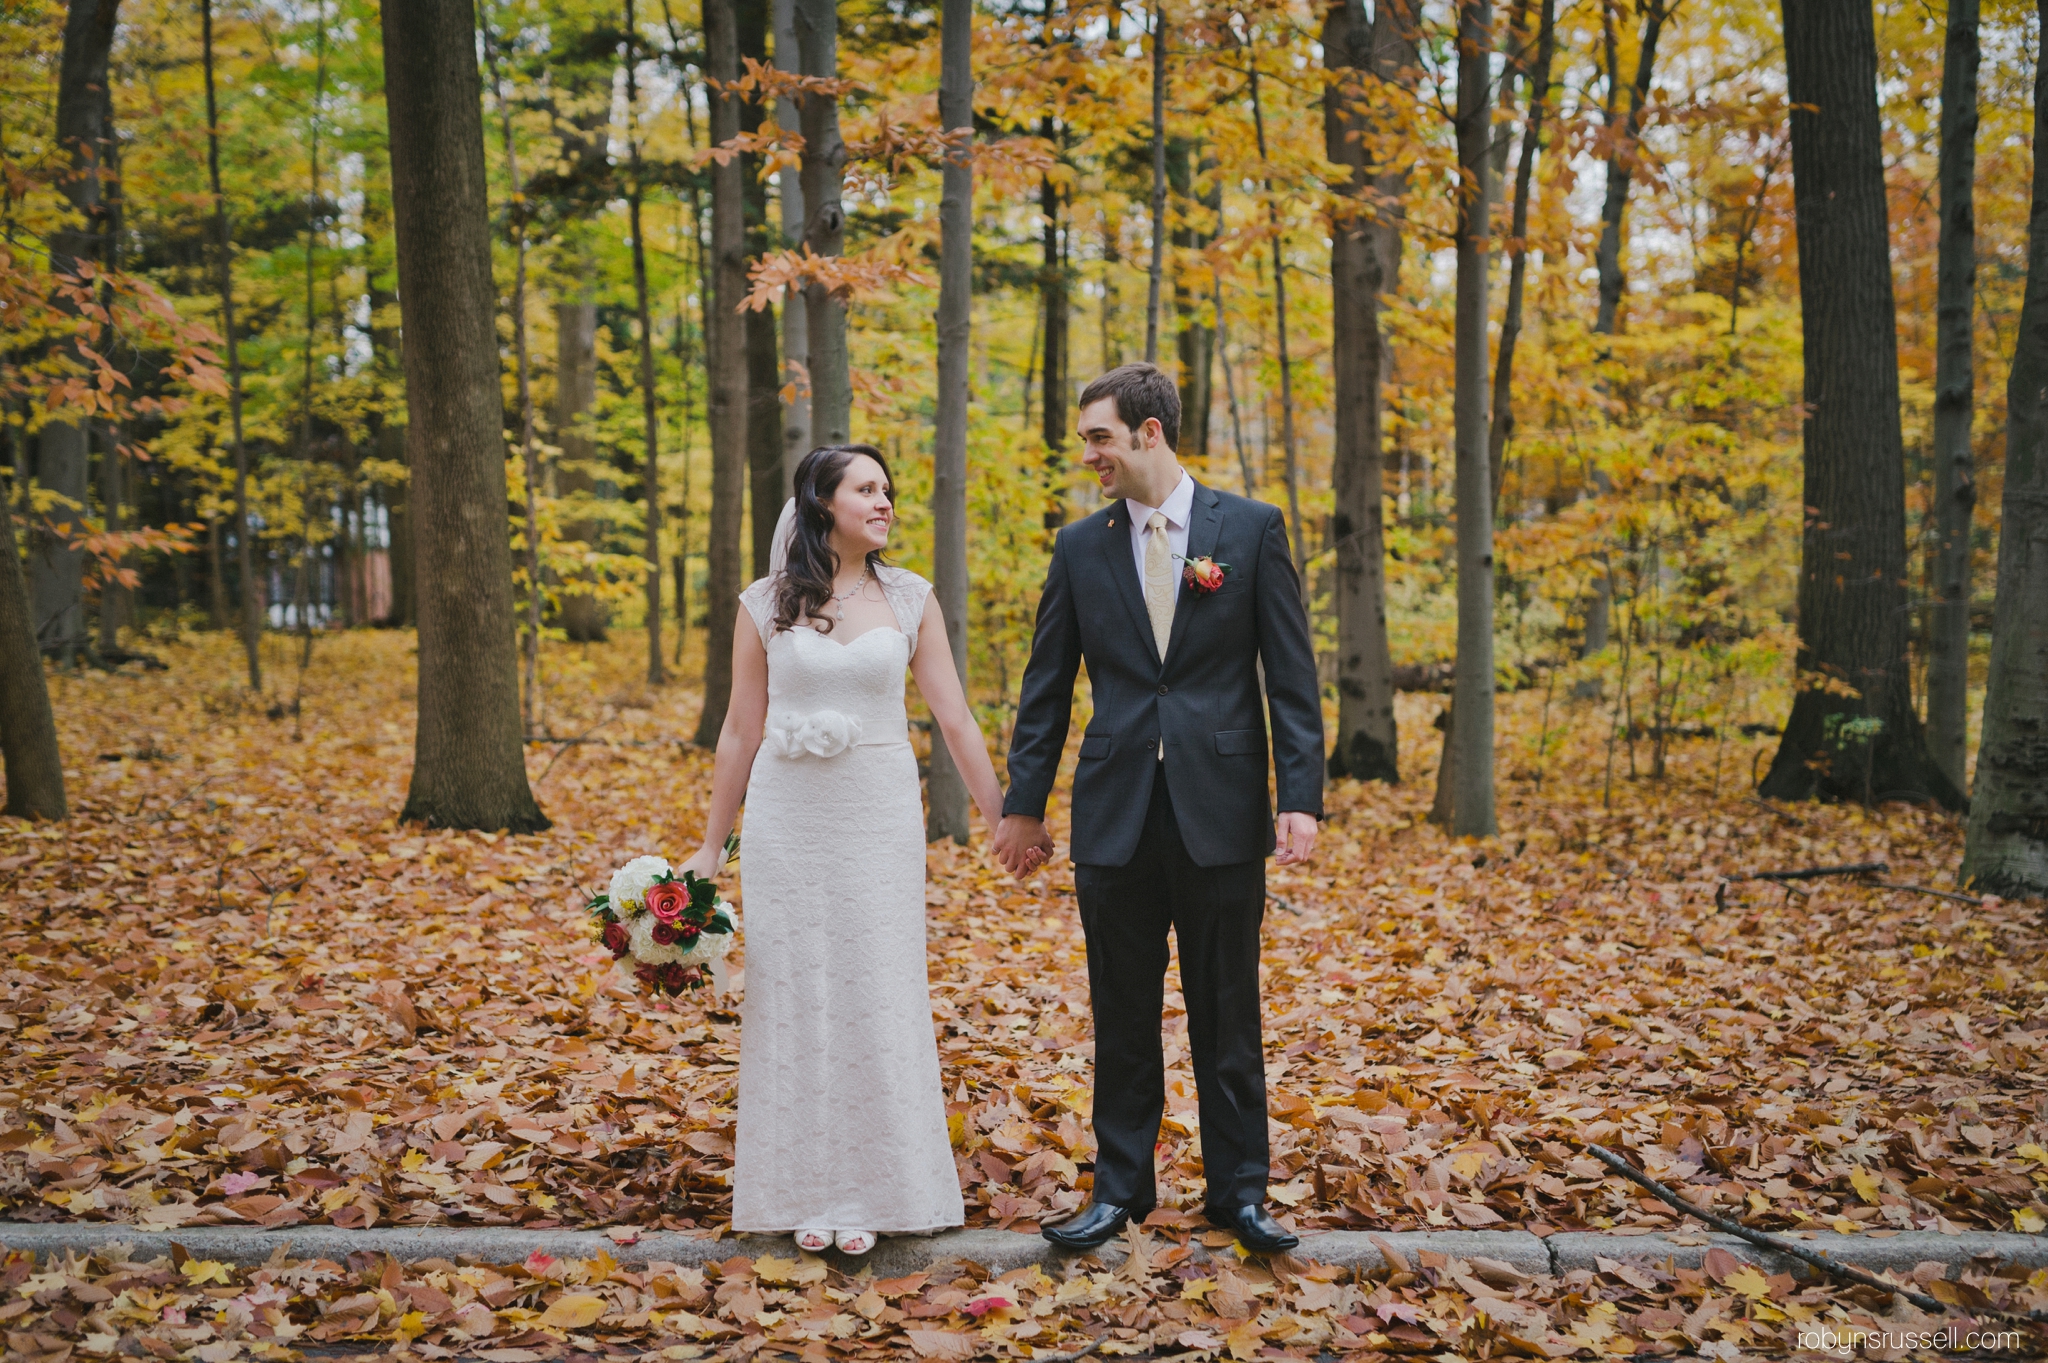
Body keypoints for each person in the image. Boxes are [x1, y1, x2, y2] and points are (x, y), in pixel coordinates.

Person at [992, 362, 1324, 1254]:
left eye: (1099, 435)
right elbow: (1046, 688)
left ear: (1149, 432)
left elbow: (1291, 679)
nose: (1089, 453)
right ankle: (1120, 1190)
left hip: (1221, 810)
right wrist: (1024, 804)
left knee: (1229, 1008)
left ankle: (1240, 1192)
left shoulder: (1249, 530)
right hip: (1116, 813)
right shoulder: (1079, 546)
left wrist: (1300, 797)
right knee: (1122, 1009)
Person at [680, 443, 1028, 1256]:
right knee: (795, 989)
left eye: (888, 488)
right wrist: (709, 846)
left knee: (877, 984)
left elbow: (957, 719)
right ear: (823, 502)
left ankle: (881, 1186)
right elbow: (739, 728)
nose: (885, 501)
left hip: (876, 813)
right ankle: (801, 1185)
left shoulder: (911, 599)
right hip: (787, 816)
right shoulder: (764, 602)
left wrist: (1004, 818)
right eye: (866, 488)